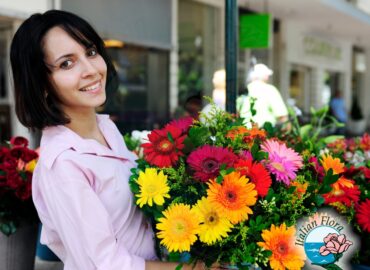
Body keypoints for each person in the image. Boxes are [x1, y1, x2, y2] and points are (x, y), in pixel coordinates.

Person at [10, 10, 209, 270]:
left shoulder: (107, 129)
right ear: (41, 84)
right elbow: (105, 264)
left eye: (90, 52)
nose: (91, 70)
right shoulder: (63, 165)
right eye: (67, 64)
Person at [237, 64, 289, 128]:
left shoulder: (245, 89)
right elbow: (282, 115)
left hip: (244, 132)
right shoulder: (270, 89)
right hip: (263, 133)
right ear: (265, 76)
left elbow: (237, 111)